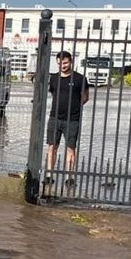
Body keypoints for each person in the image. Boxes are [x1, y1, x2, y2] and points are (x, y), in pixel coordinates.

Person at [46, 51, 91, 187]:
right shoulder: (53, 78)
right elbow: (53, 93)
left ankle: (69, 177)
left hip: (72, 119)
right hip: (55, 118)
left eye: (65, 63)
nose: (62, 66)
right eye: (60, 63)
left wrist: (75, 107)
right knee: (52, 147)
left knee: (71, 148)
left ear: (71, 62)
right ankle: (49, 175)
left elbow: (85, 97)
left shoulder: (79, 79)